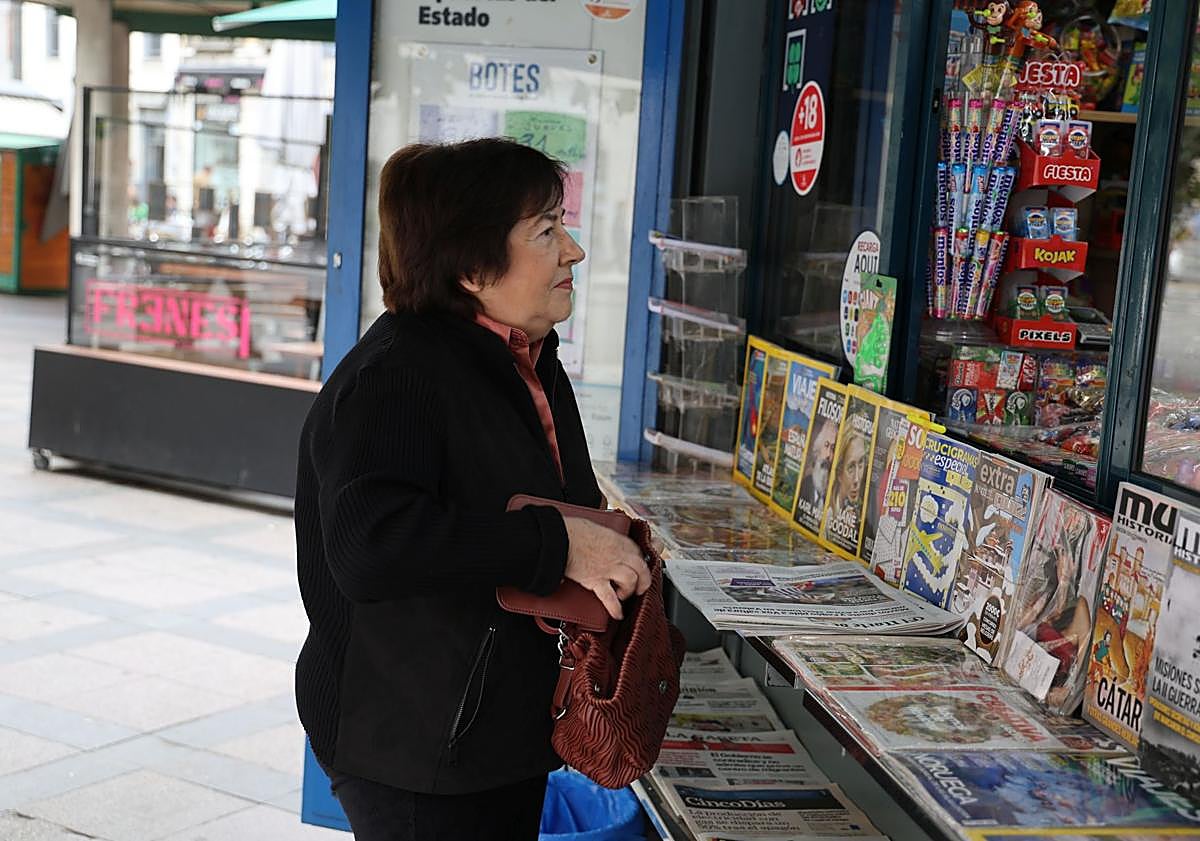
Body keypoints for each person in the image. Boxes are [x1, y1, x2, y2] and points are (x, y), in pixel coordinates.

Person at [294, 138, 652, 841]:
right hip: (417, 748)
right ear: (472, 267)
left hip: (495, 732)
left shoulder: (525, 358)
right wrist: (558, 547)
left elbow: (540, 510)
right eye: (546, 231)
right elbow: (371, 546)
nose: (574, 252)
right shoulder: (396, 377)